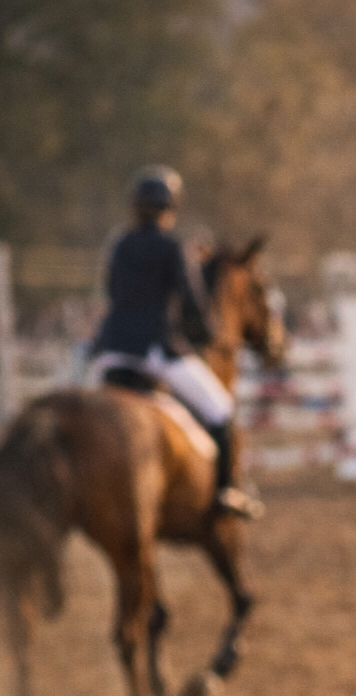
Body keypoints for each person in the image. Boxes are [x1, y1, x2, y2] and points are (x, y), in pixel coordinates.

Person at [89, 165, 261, 519]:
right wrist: (205, 335)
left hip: (108, 352)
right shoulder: (174, 248)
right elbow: (194, 308)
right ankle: (226, 491)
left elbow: (113, 293)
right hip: (153, 350)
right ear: (172, 208)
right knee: (221, 409)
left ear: (135, 206)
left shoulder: (119, 245)